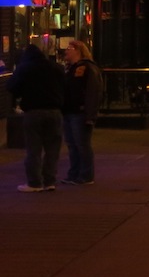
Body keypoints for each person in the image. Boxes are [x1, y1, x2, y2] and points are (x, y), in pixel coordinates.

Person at [6, 44, 64, 192]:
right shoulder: (55, 67)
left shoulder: (25, 68)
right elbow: (65, 86)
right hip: (54, 111)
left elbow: (11, 86)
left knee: (34, 149)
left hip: (34, 111)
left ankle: (35, 182)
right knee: (52, 149)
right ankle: (50, 181)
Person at [61, 40, 103, 185]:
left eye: (69, 48)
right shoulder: (71, 68)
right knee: (72, 145)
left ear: (78, 50)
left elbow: (93, 92)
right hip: (69, 111)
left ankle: (86, 175)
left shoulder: (87, 68)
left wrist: (90, 115)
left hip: (80, 112)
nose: (66, 51)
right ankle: (74, 173)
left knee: (82, 144)